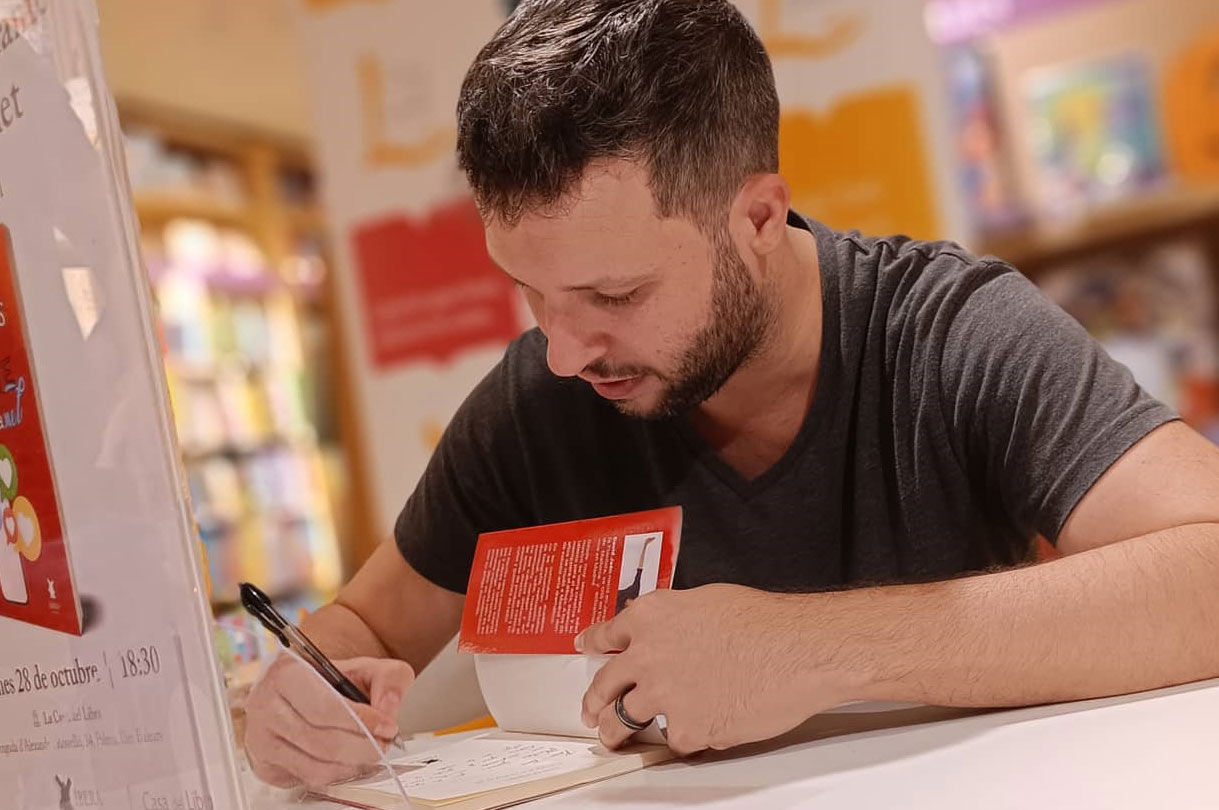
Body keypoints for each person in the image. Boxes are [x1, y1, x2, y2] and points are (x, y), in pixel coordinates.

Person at [243, 0, 1219, 788]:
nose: (563, 352)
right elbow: (365, 626)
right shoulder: (537, 399)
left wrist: (811, 648)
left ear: (757, 218)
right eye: (531, 293)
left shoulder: (948, 333)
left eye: (615, 295)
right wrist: (305, 693)